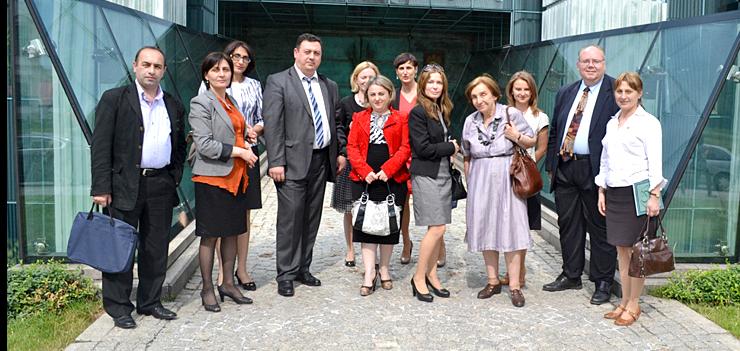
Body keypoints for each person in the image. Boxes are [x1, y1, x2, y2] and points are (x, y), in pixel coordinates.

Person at [90, 46, 186, 329]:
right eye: (146, 64)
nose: (151, 71)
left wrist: (173, 177)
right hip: (123, 186)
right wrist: (101, 187)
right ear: (135, 66)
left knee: (155, 247)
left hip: (160, 184)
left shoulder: (173, 104)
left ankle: (150, 302)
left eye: (157, 66)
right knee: (121, 247)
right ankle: (119, 307)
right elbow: (101, 146)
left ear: (164, 71)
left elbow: (179, 145)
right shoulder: (115, 99)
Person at [263, 33, 344, 297]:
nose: (311, 57)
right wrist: (276, 161)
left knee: (311, 217)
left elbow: (336, 121)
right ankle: (285, 273)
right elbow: (273, 125)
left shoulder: (328, 85)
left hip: (321, 161)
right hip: (291, 163)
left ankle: (303, 268)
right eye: (307, 52)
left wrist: (339, 152)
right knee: (290, 219)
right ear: (296, 53)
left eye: (316, 53)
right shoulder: (278, 81)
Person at [544, 45, 620, 305]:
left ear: (604, 64)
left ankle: (602, 281)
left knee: (600, 228)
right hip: (565, 166)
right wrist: (552, 165)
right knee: (568, 224)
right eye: (586, 61)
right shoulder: (567, 92)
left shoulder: (615, 91)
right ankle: (571, 274)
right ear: (578, 65)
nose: (591, 65)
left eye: (596, 61)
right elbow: (555, 129)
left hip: (595, 170)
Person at [190, 52, 258, 312]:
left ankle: (228, 283)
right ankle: (207, 289)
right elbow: (205, 144)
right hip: (212, 178)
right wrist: (239, 151)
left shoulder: (229, 101)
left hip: (236, 177)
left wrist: (247, 134)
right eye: (216, 70)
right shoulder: (201, 102)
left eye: (226, 70)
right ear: (206, 74)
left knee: (232, 231)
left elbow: (234, 130)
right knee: (210, 236)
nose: (222, 74)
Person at [596, 72, 664, 326]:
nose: (623, 96)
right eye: (619, 91)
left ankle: (635, 305)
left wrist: (654, 196)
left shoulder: (649, 123)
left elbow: (655, 162)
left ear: (639, 93)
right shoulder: (612, 122)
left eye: (628, 91)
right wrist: (601, 189)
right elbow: (605, 160)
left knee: (639, 253)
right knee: (621, 251)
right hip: (614, 192)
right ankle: (624, 300)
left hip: (638, 194)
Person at [461, 75, 536, 307]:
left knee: (511, 228)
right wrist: (470, 180)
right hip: (480, 177)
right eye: (474, 96)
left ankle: (514, 285)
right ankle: (492, 281)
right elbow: (466, 154)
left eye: (483, 94)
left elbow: (531, 141)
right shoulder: (470, 121)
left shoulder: (511, 114)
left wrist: (517, 136)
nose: (478, 100)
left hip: (506, 174)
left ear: (494, 94)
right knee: (485, 227)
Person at [347, 75, 411, 296]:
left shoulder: (401, 118)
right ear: (367, 96)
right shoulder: (359, 117)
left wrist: (388, 170)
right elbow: (352, 147)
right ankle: (368, 273)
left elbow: (405, 147)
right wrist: (365, 171)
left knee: (388, 225)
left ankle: (384, 269)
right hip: (364, 178)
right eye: (372, 94)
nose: (377, 98)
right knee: (365, 226)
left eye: (381, 94)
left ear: (389, 94)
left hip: (391, 178)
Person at [408, 63, 458, 303]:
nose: (435, 86)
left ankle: (431, 274)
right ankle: (418, 277)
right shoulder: (418, 112)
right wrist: (452, 147)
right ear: (423, 85)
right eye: (431, 82)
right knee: (437, 228)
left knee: (438, 228)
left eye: (439, 82)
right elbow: (422, 148)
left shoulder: (442, 109)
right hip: (426, 174)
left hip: (443, 173)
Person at [501, 71, 550, 287]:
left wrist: (526, 165)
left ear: (532, 92)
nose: (521, 93)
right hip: (503, 175)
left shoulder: (540, 117)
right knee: (505, 224)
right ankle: (512, 272)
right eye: (518, 89)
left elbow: (542, 148)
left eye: (526, 89)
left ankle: (519, 273)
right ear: (511, 91)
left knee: (522, 226)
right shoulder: (502, 113)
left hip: (524, 177)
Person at [333, 61, 379, 268]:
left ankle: (371, 249)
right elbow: (339, 129)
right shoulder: (346, 103)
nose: (367, 81)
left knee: (373, 206)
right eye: (363, 76)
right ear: (356, 79)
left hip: (373, 162)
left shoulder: (380, 101)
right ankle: (350, 249)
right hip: (351, 160)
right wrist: (342, 152)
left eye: (371, 77)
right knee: (350, 208)